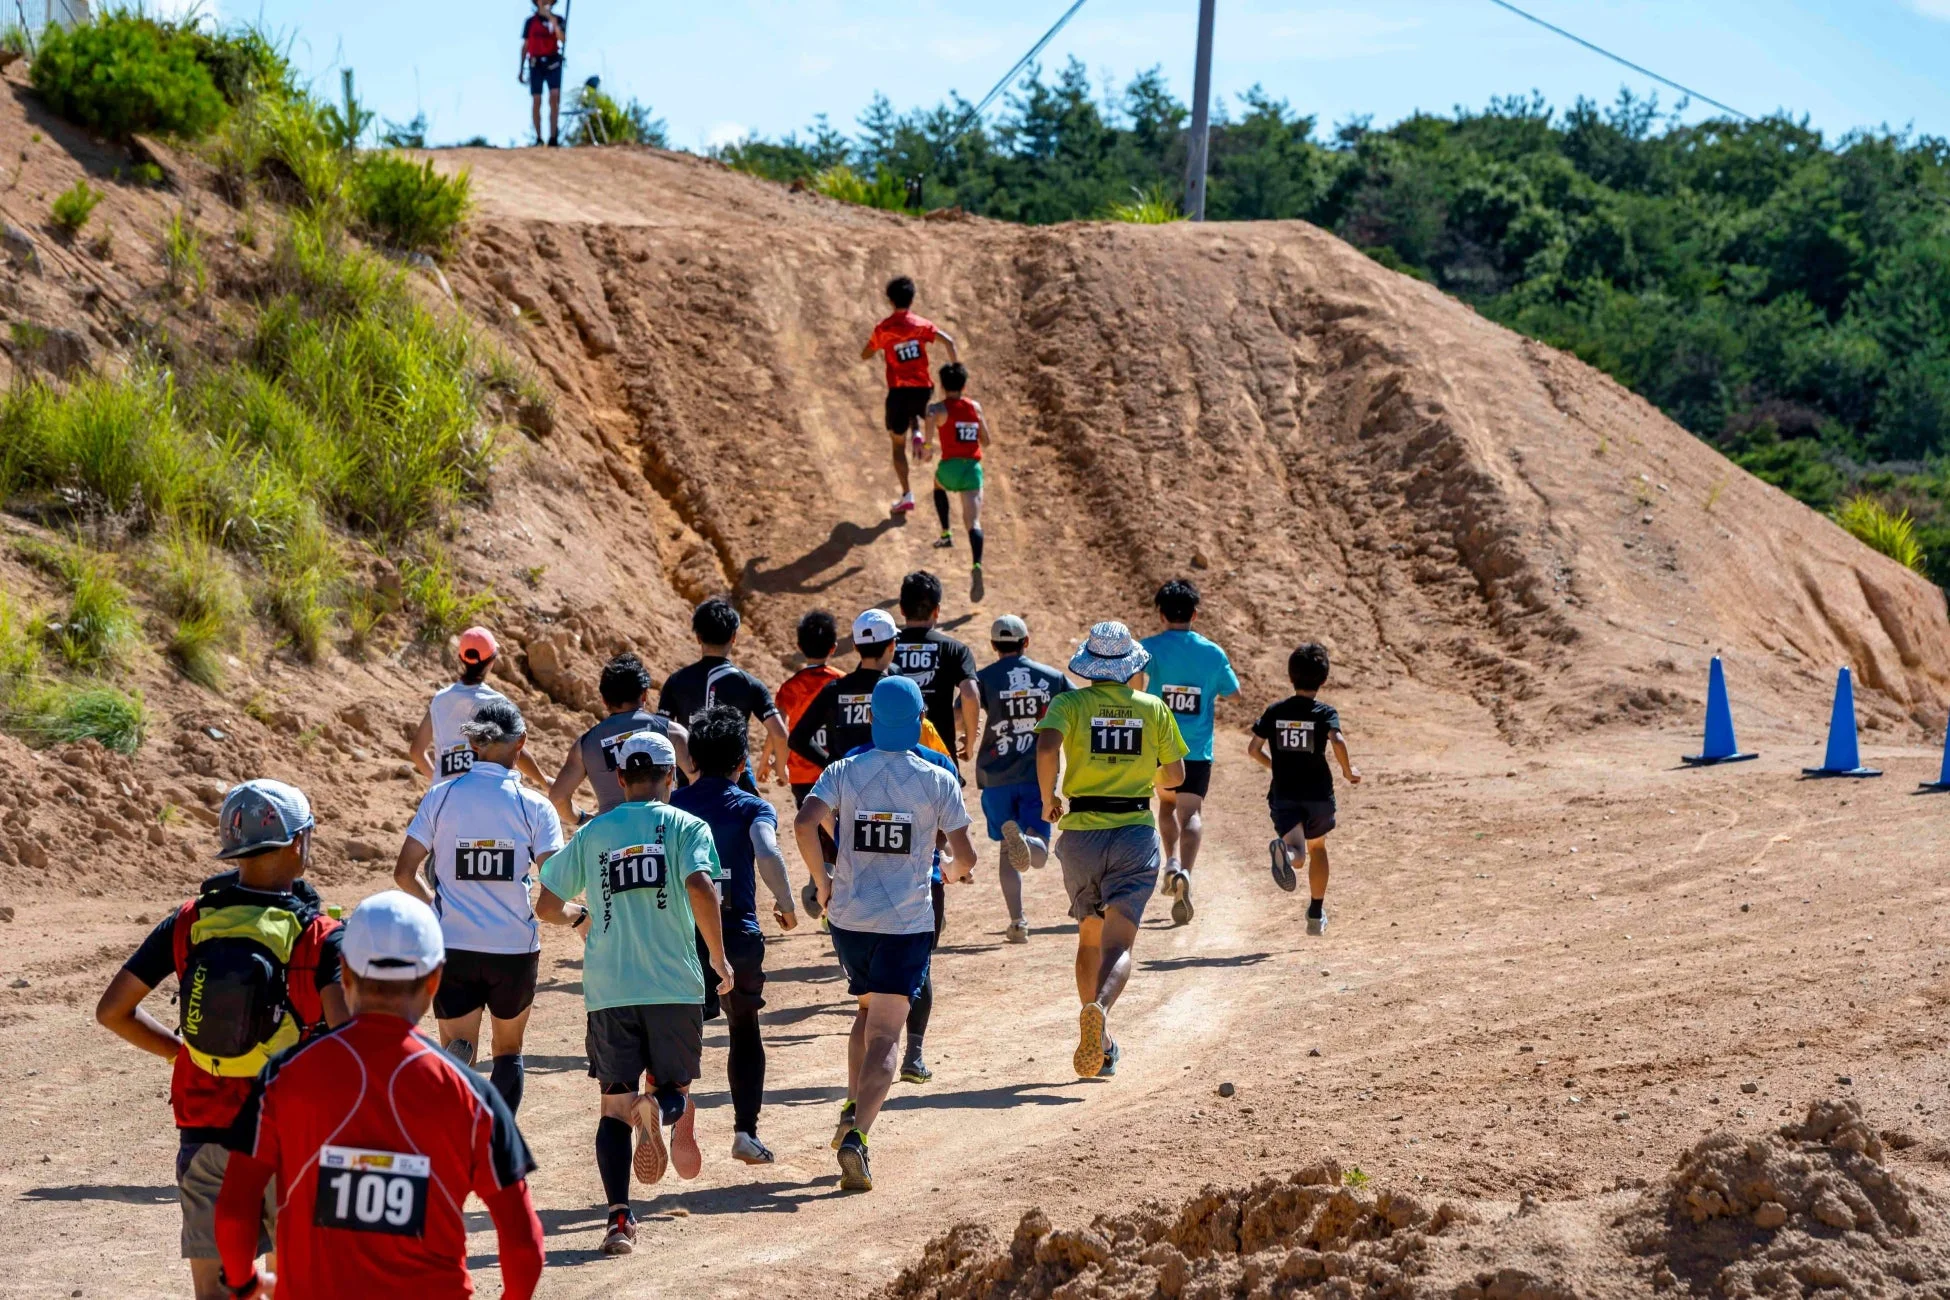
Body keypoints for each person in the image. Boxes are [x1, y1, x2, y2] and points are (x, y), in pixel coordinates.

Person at [213, 892, 544, 1300]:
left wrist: (243, 1282)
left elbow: (233, 1210)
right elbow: (523, 1243)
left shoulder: (284, 1076)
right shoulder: (473, 1095)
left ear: (346, 976)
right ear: (435, 979)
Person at [94, 780, 347, 1300]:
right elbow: (351, 1042)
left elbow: (113, 1011)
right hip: (289, 1135)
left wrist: (180, 1054)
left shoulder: (189, 920)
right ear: (299, 843)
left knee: (215, 1293)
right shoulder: (319, 934)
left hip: (205, 1129)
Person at [535, 730, 731, 1255]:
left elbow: (545, 904)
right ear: (671, 777)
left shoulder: (595, 833)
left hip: (609, 988)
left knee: (611, 1107)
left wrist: (580, 917)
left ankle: (619, 1220)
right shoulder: (688, 826)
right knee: (676, 1090)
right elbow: (699, 886)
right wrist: (717, 956)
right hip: (673, 985)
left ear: (620, 779)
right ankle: (660, 1109)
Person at [793, 677, 975, 1191]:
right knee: (887, 1035)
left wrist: (822, 882)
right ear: (920, 721)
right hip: (905, 924)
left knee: (866, 1009)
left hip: (849, 921)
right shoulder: (938, 778)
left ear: (872, 719)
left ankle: (852, 1104)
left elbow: (805, 823)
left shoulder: (843, 770)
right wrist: (950, 869)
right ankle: (859, 1138)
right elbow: (966, 858)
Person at [392, 700, 564, 1115]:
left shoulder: (441, 796)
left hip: (453, 943)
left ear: (471, 743)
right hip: (513, 947)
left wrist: (436, 906)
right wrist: (570, 914)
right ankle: (496, 1140)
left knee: (453, 1048)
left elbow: (403, 873)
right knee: (508, 1051)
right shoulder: (535, 806)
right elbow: (557, 882)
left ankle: (454, 1124)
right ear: (520, 743)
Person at [1036, 622, 1187, 1079]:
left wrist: (1049, 796)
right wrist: (1149, 773)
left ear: (1090, 665)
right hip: (1134, 833)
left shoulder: (1069, 703)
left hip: (1081, 832)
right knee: (1118, 943)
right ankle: (1099, 1010)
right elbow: (1175, 776)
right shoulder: (1152, 707)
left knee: (1088, 937)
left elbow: (1045, 745)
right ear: (1129, 667)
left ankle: (1097, 1036)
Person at [670, 705, 798, 1165]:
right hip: (737, 934)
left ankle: (672, 1103)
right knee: (744, 1028)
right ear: (741, 764)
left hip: (681, 936)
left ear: (693, 763)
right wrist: (784, 904)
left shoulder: (673, 807)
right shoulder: (752, 806)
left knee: (673, 1027)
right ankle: (745, 1132)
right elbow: (767, 851)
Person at [1139, 579, 1241, 926]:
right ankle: (1186, 872)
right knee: (1191, 812)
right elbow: (1235, 693)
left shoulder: (1147, 649)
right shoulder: (1212, 653)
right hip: (1197, 749)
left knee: (1165, 805)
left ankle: (1169, 861)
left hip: (1158, 747)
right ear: (1195, 614)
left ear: (1161, 613)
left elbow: (1135, 687)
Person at [1248, 643, 1361, 935]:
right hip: (1318, 794)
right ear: (1323, 680)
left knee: (1296, 850)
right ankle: (1315, 912)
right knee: (1318, 846)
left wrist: (1275, 767)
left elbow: (1253, 748)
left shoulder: (1275, 711)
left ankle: (1284, 855)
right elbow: (1337, 740)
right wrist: (1349, 771)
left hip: (1284, 793)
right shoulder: (1325, 712)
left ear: (1290, 677)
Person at [971, 615, 1071, 943]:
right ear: (1025, 642)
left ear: (993, 646)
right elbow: (1077, 706)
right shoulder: (1053, 678)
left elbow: (963, 708)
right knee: (1038, 850)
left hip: (996, 773)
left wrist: (965, 736)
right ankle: (1027, 842)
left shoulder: (983, 678)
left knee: (1005, 852)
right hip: (1035, 775)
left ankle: (1018, 921)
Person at [658, 597, 790, 793]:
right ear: (734, 637)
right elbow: (779, 734)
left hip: (691, 780)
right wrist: (780, 768)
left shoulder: (676, 681)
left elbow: (661, 733)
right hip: (736, 781)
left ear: (698, 638)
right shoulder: (750, 684)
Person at [550, 651, 694, 823]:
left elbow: (558, 797)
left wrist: (582, 819)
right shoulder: (672, 732)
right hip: (661, 832)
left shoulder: (585, 746)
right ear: (644, 694)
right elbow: (701, 782)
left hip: (611, 838)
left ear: (604, 700)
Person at [862, 275, 959, 518]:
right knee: (917, 411)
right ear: (912, 298)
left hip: (898, 392)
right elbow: (949, 341)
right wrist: (956, 372)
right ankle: (917, 432)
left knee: (897, 445)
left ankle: (907, 495)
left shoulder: (884, 329)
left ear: (890, 300)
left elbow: (866, 354)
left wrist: (878, 348)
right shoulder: (921, 325)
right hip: (923, 389)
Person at [408, 627, 548, 788]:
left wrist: (438, 782)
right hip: (483, 792)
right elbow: (517, 750)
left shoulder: (440, 699)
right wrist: (543, 780)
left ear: (461, 658)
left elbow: (416, 751)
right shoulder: (496, 701)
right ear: (491, 661)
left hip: (445, 799)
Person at [777, 610, 845, 908]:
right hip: (835, 771)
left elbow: (780, 731)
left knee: (813, 827)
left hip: (802, 773)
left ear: (801, 648)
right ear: (833, 648)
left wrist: (778, 764)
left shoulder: (789, 688)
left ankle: (818, 877)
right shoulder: (842, 683)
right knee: (837, 831)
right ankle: (832, 885)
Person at [923, 362, 993, 572]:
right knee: (973, 522)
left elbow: (928, 440)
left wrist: (927, 447)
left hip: (949, 469)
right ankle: (977, 563)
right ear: (964, 386)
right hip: (972, 470)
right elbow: (987, 441)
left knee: (938, 485)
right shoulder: (975, 407)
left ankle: (946, 533)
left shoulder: (937, 409)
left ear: (943, 386)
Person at [519, 0, 567, 148]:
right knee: (537, 100)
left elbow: (562, 39)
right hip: (536, 64)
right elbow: (525, 46)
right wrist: (520, 69)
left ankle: (553, 137)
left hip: (553, 63)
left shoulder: (558, 20)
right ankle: (539, 138)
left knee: (554, 98)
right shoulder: (530, 22)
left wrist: (552, 21)